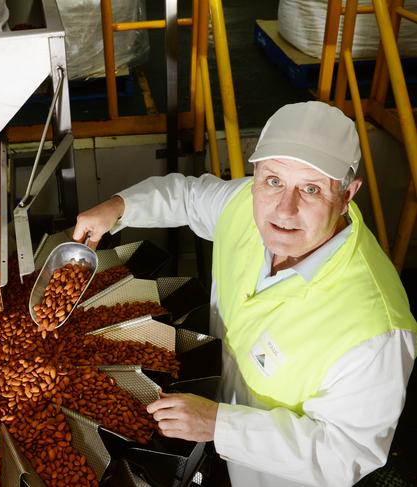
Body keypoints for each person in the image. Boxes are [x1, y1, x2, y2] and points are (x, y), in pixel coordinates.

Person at [72, 101, 417, 487]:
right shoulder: (245, 205)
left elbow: (347, 453)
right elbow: (186, 196)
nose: (285, 209)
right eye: (273, 181)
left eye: (311, 188)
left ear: (347, 194)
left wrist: (221, 425)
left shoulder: (375, 328)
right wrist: (119, 207)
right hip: (216, 433)